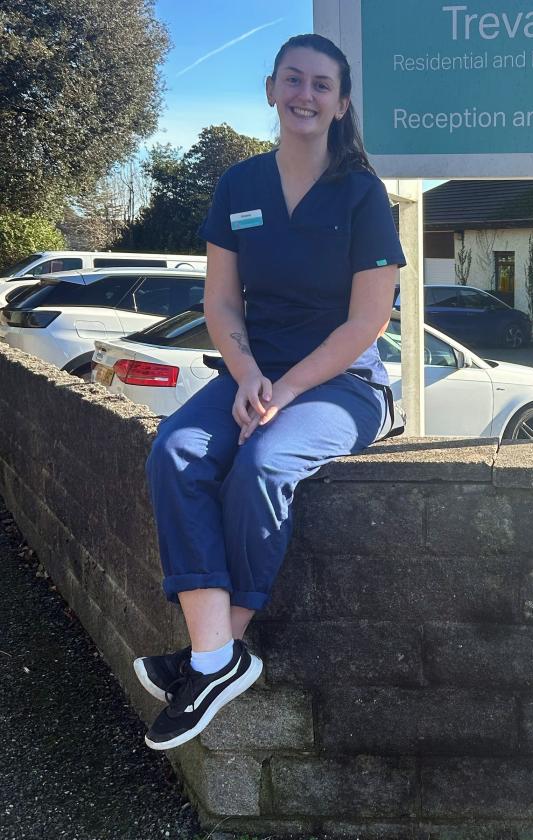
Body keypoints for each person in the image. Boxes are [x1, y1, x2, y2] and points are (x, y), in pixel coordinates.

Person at [133, 33, 405, 751]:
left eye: (321, 84)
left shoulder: (361, 193)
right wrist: (248, 372)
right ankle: (217, 660)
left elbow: (368, 321)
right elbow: (221, 303)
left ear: (341, 102)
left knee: (261, 466)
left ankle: (211, 659)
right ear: (271, 89)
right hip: (252, 376)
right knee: (178, 450)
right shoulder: (239, 187)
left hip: (340, 385)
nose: (305, 94)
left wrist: (283, 389)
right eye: (293, 80)